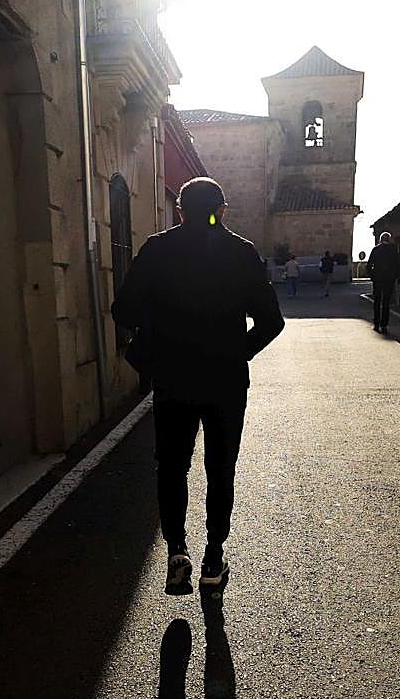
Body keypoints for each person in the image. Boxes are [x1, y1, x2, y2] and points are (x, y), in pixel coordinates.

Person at [111, 178, 285, 596]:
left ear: (180, 210)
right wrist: (237, 351)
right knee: (220, 469)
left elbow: (123, 309)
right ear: (222, 210)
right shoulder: (241, 253)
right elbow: (272, 322)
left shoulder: (157, 250)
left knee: (172, 467)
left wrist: (158, 330)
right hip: (225, 381)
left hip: (173, 379)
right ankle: (213, 555)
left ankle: (176, 552)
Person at [367, 231, 400, 333]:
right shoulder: (393, 250)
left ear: (380, 239)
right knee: (386, 303)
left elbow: (369, 265)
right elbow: (398, 264)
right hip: (389, 280)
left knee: (377, 302)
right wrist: (395, 276)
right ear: (389, 239)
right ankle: (384, 325)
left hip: (377, 279)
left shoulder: (376, 249)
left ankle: (376, 324)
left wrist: (372, 276)